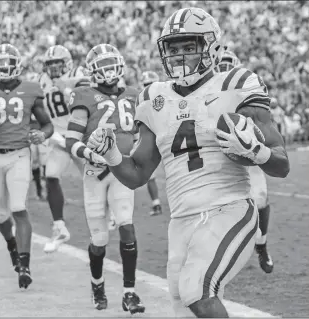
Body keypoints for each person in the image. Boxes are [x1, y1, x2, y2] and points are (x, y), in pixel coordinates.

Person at [87, 8, 289, 318]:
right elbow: (137, 174)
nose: (180, 55)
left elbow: (281, 163)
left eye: (189, 47)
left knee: (198, 290)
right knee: (182, 306)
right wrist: (111, 152)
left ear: (211, 47)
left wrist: (255, 150)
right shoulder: (154, 98)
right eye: (174, 48)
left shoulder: (235, 84)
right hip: (181, 221)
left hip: (229, 207)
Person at [65, 44, 145, 314]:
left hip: (121, 169)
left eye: (112, 64)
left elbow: (139, 134)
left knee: (126, 226)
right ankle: (97, 284)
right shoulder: (84, 95)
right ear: (93, 71)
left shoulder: (134, 95)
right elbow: (71, 140)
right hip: (95, 173)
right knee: (99, 240)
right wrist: (90, 154)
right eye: (103, 66)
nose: (109, 71)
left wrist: (138, 151)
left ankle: (129, 293)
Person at [0, 43, 54, 289]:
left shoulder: (31, 90)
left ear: (17, 66)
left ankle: (25, 266)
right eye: (0, 65)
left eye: (8, 64)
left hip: (19, 154)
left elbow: (47, 125)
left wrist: (42, 135)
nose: (4, 69)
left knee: (18, 207)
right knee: (0, 215)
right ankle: (12, 247)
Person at [215, 50, 274, 273]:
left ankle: (261, 244)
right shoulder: (206, 93)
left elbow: (263, 121)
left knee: (260, 198)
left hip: (247, 152)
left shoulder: (247, 89)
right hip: (219, 157)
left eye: (228, 65)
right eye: (221, 65)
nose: (224, 70)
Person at [40, 45, 89, 253]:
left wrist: (65, 88)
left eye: (57, 63)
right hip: (59, 138)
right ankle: (59, 227)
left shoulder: (78, 74)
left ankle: (113, 214)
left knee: (95, 177)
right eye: (50, 64)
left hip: (79, 136)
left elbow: (87, 97)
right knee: (50, 176)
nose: (53, 68)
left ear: (66, 63)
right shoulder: (42, 81)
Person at [140, 71, 163, 216]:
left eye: (151, 84)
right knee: (151, 175)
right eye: (146, 85)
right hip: (153, 140)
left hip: (164, 139)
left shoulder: (142, 100)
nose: (149, 88)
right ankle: (156, 204)